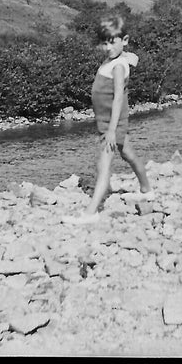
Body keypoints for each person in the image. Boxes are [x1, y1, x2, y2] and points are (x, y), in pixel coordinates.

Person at [62, 14, 153, 225]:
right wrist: (128, 54)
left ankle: (91, 212)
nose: (108, 47)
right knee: (128, 153)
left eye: (112, 42)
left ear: (125, 40)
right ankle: (147, 190)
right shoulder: (114, 59)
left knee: (103, 165)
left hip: (112, 123)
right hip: (106, 122)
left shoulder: (119, 66)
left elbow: (119, 97)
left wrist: (112, 130)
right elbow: (127, 57)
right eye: (104, 43)